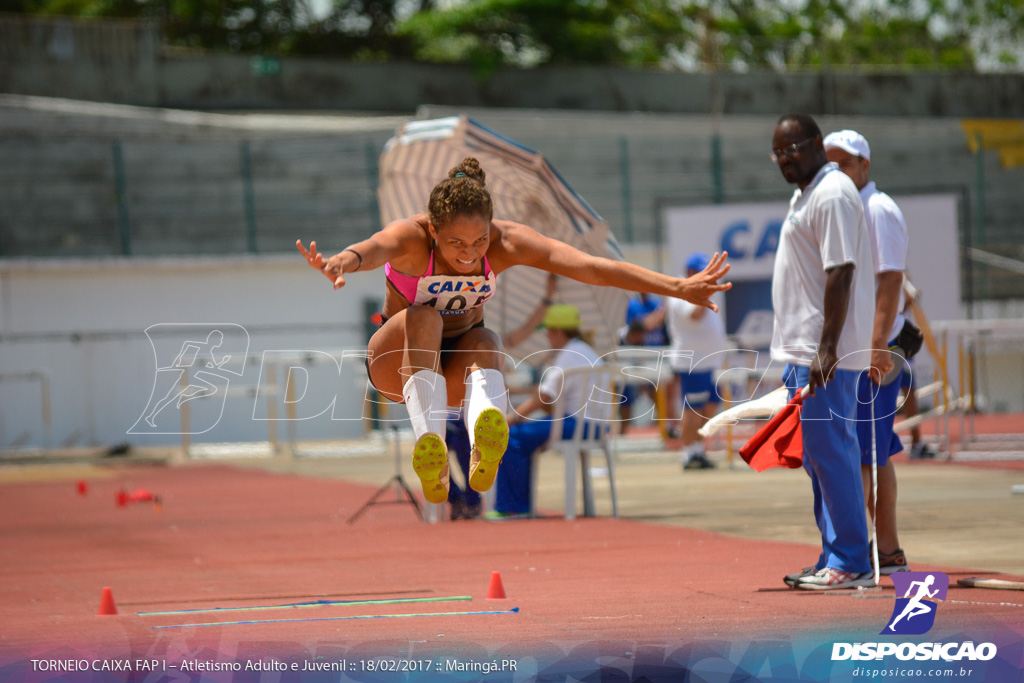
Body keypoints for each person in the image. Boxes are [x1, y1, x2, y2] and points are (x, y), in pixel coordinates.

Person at [297, 157, 732, 506]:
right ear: (433, 230)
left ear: (491, 228)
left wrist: (676, 286)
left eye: (479, 242)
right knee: (425, 315)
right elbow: (373, 248)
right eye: (456, 245)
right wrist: (342, 262)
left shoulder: (507, 242)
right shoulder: (412, 238)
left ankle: (485, 437)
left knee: (488, 340)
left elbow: (592, 268)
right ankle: (429, 446)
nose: (469, 256)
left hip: (452, 377)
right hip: (398, 365)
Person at [769, 114, 876, 590]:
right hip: (805, 350)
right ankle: (835, 554)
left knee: (832, 454)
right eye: (778, 153)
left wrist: (826, 347)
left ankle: (851, 560)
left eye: (792, 148)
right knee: (818, 457)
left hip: (823, 352)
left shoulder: (832, 194)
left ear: (816, 145)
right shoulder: (807, 194)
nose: (785, 158)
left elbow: (841, 271)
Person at [824, 128, 913, 575]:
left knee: (864, 456)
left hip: (876, 353)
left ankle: (870, 554)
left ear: (864, 166)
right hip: (862, 352)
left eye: (844, 163)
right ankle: (881, 551)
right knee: (865, 454)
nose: (836, 171)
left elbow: (890, 280)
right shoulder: (852, 208)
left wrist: (877, 348)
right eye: (830, 163)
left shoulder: (876, 209)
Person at [489, 304, 605, 518]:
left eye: (548, 332)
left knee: (511, 437)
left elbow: (544, 397)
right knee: (525, 432)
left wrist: (511, 419)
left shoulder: (568, 355)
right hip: (595, 425)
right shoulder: (584, 351)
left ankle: (514, 506)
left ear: (557, 332)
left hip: (575, 423)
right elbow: (550, 394)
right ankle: (518, 504)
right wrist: (516, 391)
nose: (547, 337)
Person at [666, 252, 729, 470]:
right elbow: (694, 316)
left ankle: (697, 449)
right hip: (693, 362)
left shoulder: (699, 293)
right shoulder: (679, 291)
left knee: (710, 405)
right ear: (691, 273)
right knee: (693, 409)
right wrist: (706, 293)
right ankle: (688, 453)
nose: (709, 276)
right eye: (705, 271)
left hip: (707, 362)